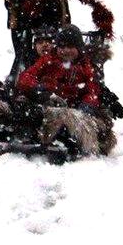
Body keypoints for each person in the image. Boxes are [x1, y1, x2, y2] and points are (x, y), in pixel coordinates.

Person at [16, 24, 115, 155]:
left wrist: (87, 105)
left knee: (76, 121)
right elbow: (26, 76)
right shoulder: (48, 60)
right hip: (49, 102)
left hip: (71, 108)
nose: (65, 50)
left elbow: (92, 91)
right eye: (62, 47)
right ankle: (32, 133)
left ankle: (66, 138)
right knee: (32, 111)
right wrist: (37, 87)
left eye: (70, 47)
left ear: (79, 48)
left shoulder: (85, 67)